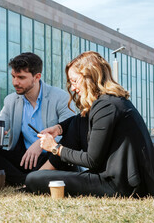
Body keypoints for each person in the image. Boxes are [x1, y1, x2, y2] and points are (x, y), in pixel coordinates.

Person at [26, 51, 154, 197]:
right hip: (121, 179)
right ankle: (46, 171)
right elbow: (79, 120)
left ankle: (43, 174)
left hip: (119, 185)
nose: (72, 88)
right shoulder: (110, 101)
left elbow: (91, 160)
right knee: (77, 123)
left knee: (33, 179)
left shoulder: (106, 106)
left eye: (74, 81)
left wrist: (55, 148)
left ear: (90, 77)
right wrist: (58, 128)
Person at [0, 52, 75, 186]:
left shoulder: (61, 98)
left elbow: (72, 134)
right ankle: (29, 180)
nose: (15, 82)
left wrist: (41, 144)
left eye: (21, 77)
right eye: (13, 76)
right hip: (24, 159)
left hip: (50, 158)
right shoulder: (11, 101)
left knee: (62, 159)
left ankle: (20, 179)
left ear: (37, 77)